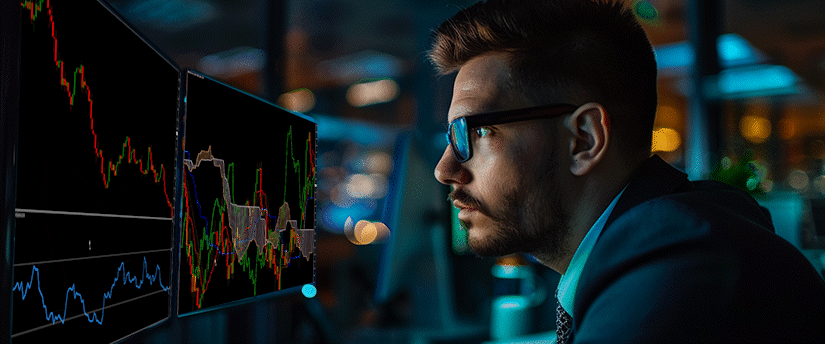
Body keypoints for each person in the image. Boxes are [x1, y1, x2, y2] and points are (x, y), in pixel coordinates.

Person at [428, 0, 825, 343]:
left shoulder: (678, 257)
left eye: (473, 132)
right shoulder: (667, 242)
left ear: (584, 140)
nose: (445, 169)